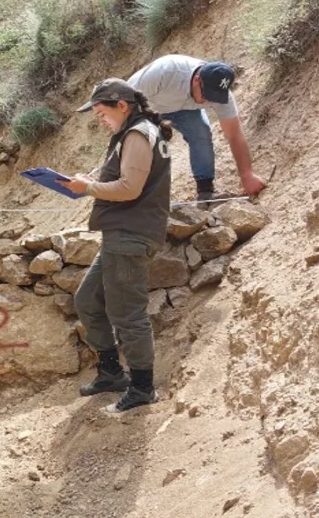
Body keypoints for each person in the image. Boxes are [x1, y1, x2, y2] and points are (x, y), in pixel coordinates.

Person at [59, 78, 172, 413]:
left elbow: (129, 188)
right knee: (88, 300)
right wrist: (91, 182)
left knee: (127, 314)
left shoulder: (137, 133)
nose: (99, 120)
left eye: (101, 112)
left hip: (130, 235)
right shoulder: (135, 132)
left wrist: (88, 189)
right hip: (123, 234)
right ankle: (111, 373)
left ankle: (141, 388)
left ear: (122, 105)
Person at [126, 54, 266, 200]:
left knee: (201, 132)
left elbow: (234, 134)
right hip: (145, 106)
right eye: (207, 95)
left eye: (215, 97)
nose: (209, 100)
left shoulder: (221, 95)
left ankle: (205, 192)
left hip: (183, 109)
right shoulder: (165, 72)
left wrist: (247, 174)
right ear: (197, 79)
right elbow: (126, 102)